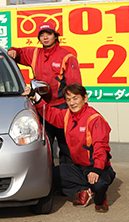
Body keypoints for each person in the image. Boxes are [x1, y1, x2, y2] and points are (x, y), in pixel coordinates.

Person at [29, 83, 115, 213]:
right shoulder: (67, 115)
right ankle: (84, 189)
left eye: (75, 98)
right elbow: (51, 113)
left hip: (97, 167)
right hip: (78, 168)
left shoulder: (94, 119)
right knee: (48, 177)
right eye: (68, 99)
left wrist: (96, 170)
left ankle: (100, 197)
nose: (72, 102)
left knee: (99, 184)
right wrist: (35, 97)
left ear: (85, 98)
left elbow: (101, 147)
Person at [8, 23, 81, 164]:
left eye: (48, 33)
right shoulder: (35, 54)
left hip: (62, 109)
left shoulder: (67, 57)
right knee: (44, 148)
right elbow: (18, 53)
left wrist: (74, 110)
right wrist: (12, 51)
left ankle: (68, 181)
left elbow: (75, 87)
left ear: (56, 35)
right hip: (42, 107)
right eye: (42, 35)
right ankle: (50, 181)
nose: (45, 37)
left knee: (66, 148)